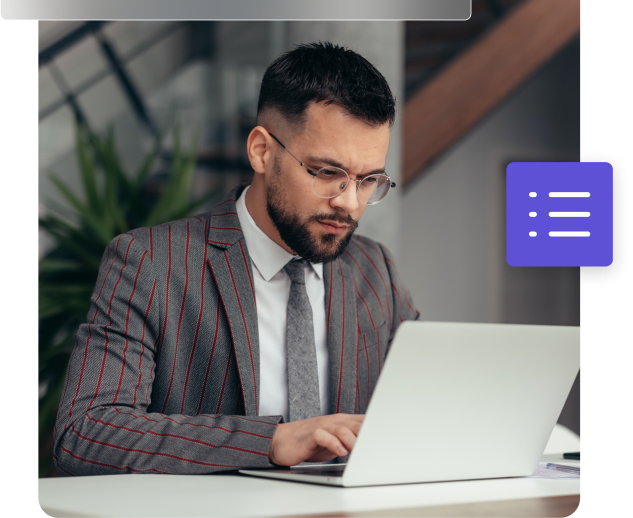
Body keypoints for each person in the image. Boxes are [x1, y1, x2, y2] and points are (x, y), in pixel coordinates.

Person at [53, 42, 420, 476]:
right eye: (327, 173)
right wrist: (270, 441)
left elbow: (420, 413)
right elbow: (85, 433)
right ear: (262, 151)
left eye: (368, 180)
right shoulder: (150, 261)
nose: (350, 203)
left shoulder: (375, 269)